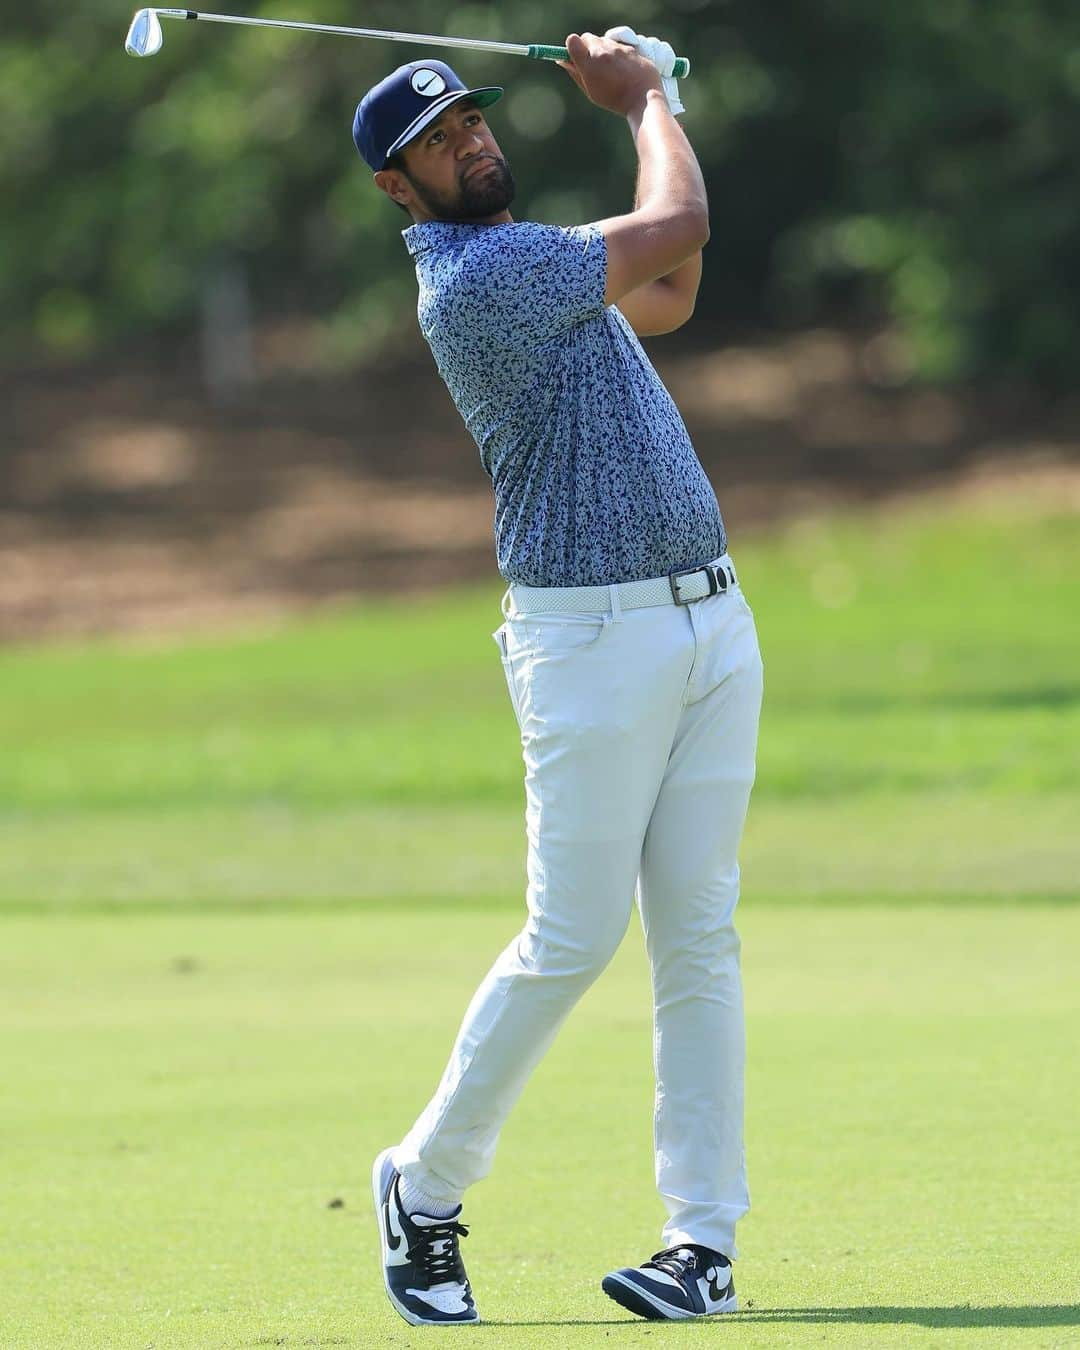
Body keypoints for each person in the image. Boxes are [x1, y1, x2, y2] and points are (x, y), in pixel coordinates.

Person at [352, 28, 764, 1327]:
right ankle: (422, 1182)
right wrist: (648, 93)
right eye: (437, 143)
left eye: (472, 121)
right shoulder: (481, 282)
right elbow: (681, 213)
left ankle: (700, 1241)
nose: (471, 141)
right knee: (574, 937)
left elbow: (674, 280)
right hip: (590, 644)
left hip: (710, 622)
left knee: (698, 939)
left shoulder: (542, 262)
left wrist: (654, 112)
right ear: (398, 189)